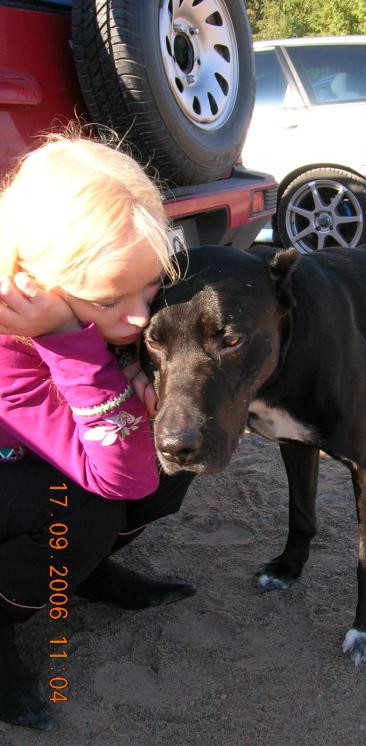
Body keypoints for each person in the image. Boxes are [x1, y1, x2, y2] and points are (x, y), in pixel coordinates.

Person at [0, 133, 196, 731]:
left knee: (174, 454)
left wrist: (127, 371)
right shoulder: (11, 343)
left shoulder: (97, 305)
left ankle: (76, 572)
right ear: (32, 279)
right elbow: (118, 474)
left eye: (150, 285)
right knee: (81, 511)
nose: (138, 314)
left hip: (26, 456)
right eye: (112, 298)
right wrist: (71, 347)